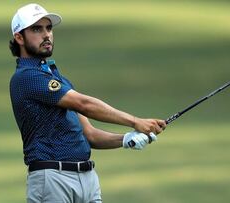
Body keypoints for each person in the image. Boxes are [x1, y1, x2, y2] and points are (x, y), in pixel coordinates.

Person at [9, 3, 166, 203]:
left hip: (87, 179)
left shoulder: (59, 80)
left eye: (48, 28)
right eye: (36, 29)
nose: (46, 35)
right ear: (19, 38)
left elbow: (89, 135)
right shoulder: (26, 77)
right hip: (53, 179)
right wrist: (135, 121)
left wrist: (127, 139)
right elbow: (85, 104)